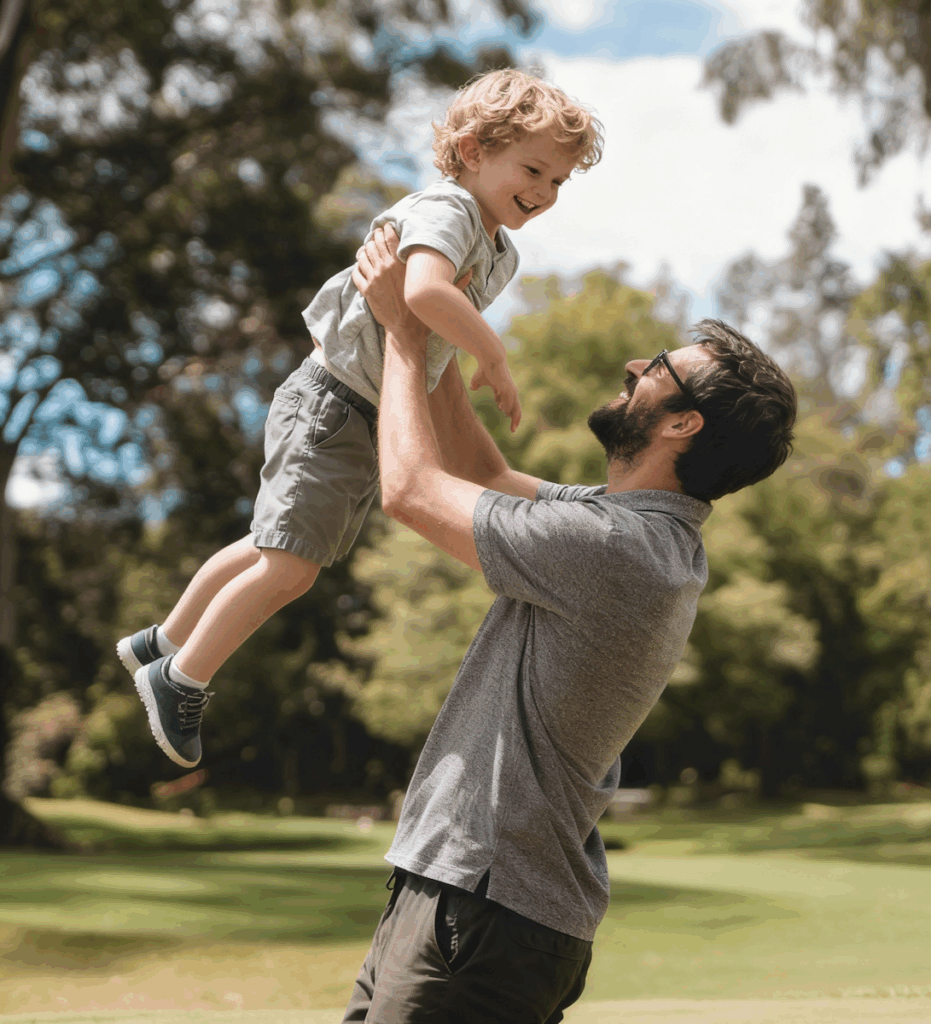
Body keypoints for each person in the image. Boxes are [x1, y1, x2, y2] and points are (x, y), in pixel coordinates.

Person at [339, 224, 798, 1023]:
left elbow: (412, 489)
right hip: (469, 897)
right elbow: (482, 474)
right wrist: (444, 332)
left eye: (657, 371)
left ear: (682, 424)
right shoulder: (628, 526)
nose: (634, 367)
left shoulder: (619, 549)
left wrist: (406, 337)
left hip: (484, 910)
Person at [117, 70, 603, 768]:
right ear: (470, 150)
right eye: (532, 169)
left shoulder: (500, 247)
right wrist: (492, 355)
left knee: (271, 541)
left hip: (356, 410)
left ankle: (161, 641)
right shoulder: (451, 211)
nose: (545, 192)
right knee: (292, 564)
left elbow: (429, 337)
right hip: (332, 401)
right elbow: (424, 293)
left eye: (559, 181)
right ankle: (180, 677)